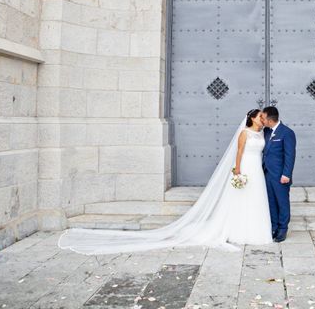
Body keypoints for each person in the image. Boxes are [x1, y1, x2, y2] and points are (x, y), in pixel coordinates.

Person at [58, 109, 273, 255]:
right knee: (241, 198)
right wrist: (237, 171)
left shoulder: (262, 132)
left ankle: (255, 229)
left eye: (263, 117)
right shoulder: (244, 133)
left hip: (257, 171)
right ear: (252, 118)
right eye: (259, 116)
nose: (262, 119)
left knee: (255, 199)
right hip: (245, 168)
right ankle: (237, 230)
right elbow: (239, 153)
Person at [261, 106, 296, 242]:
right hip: (267, 173)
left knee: (282, 202)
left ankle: (282, 229)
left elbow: (290, 155)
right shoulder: (266, 132)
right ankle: (274, 227)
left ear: (270, 119)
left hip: (281, 175)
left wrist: (286, 174)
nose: (262, 120)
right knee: (271, 201)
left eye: (263, 118)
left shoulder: (287, 133)